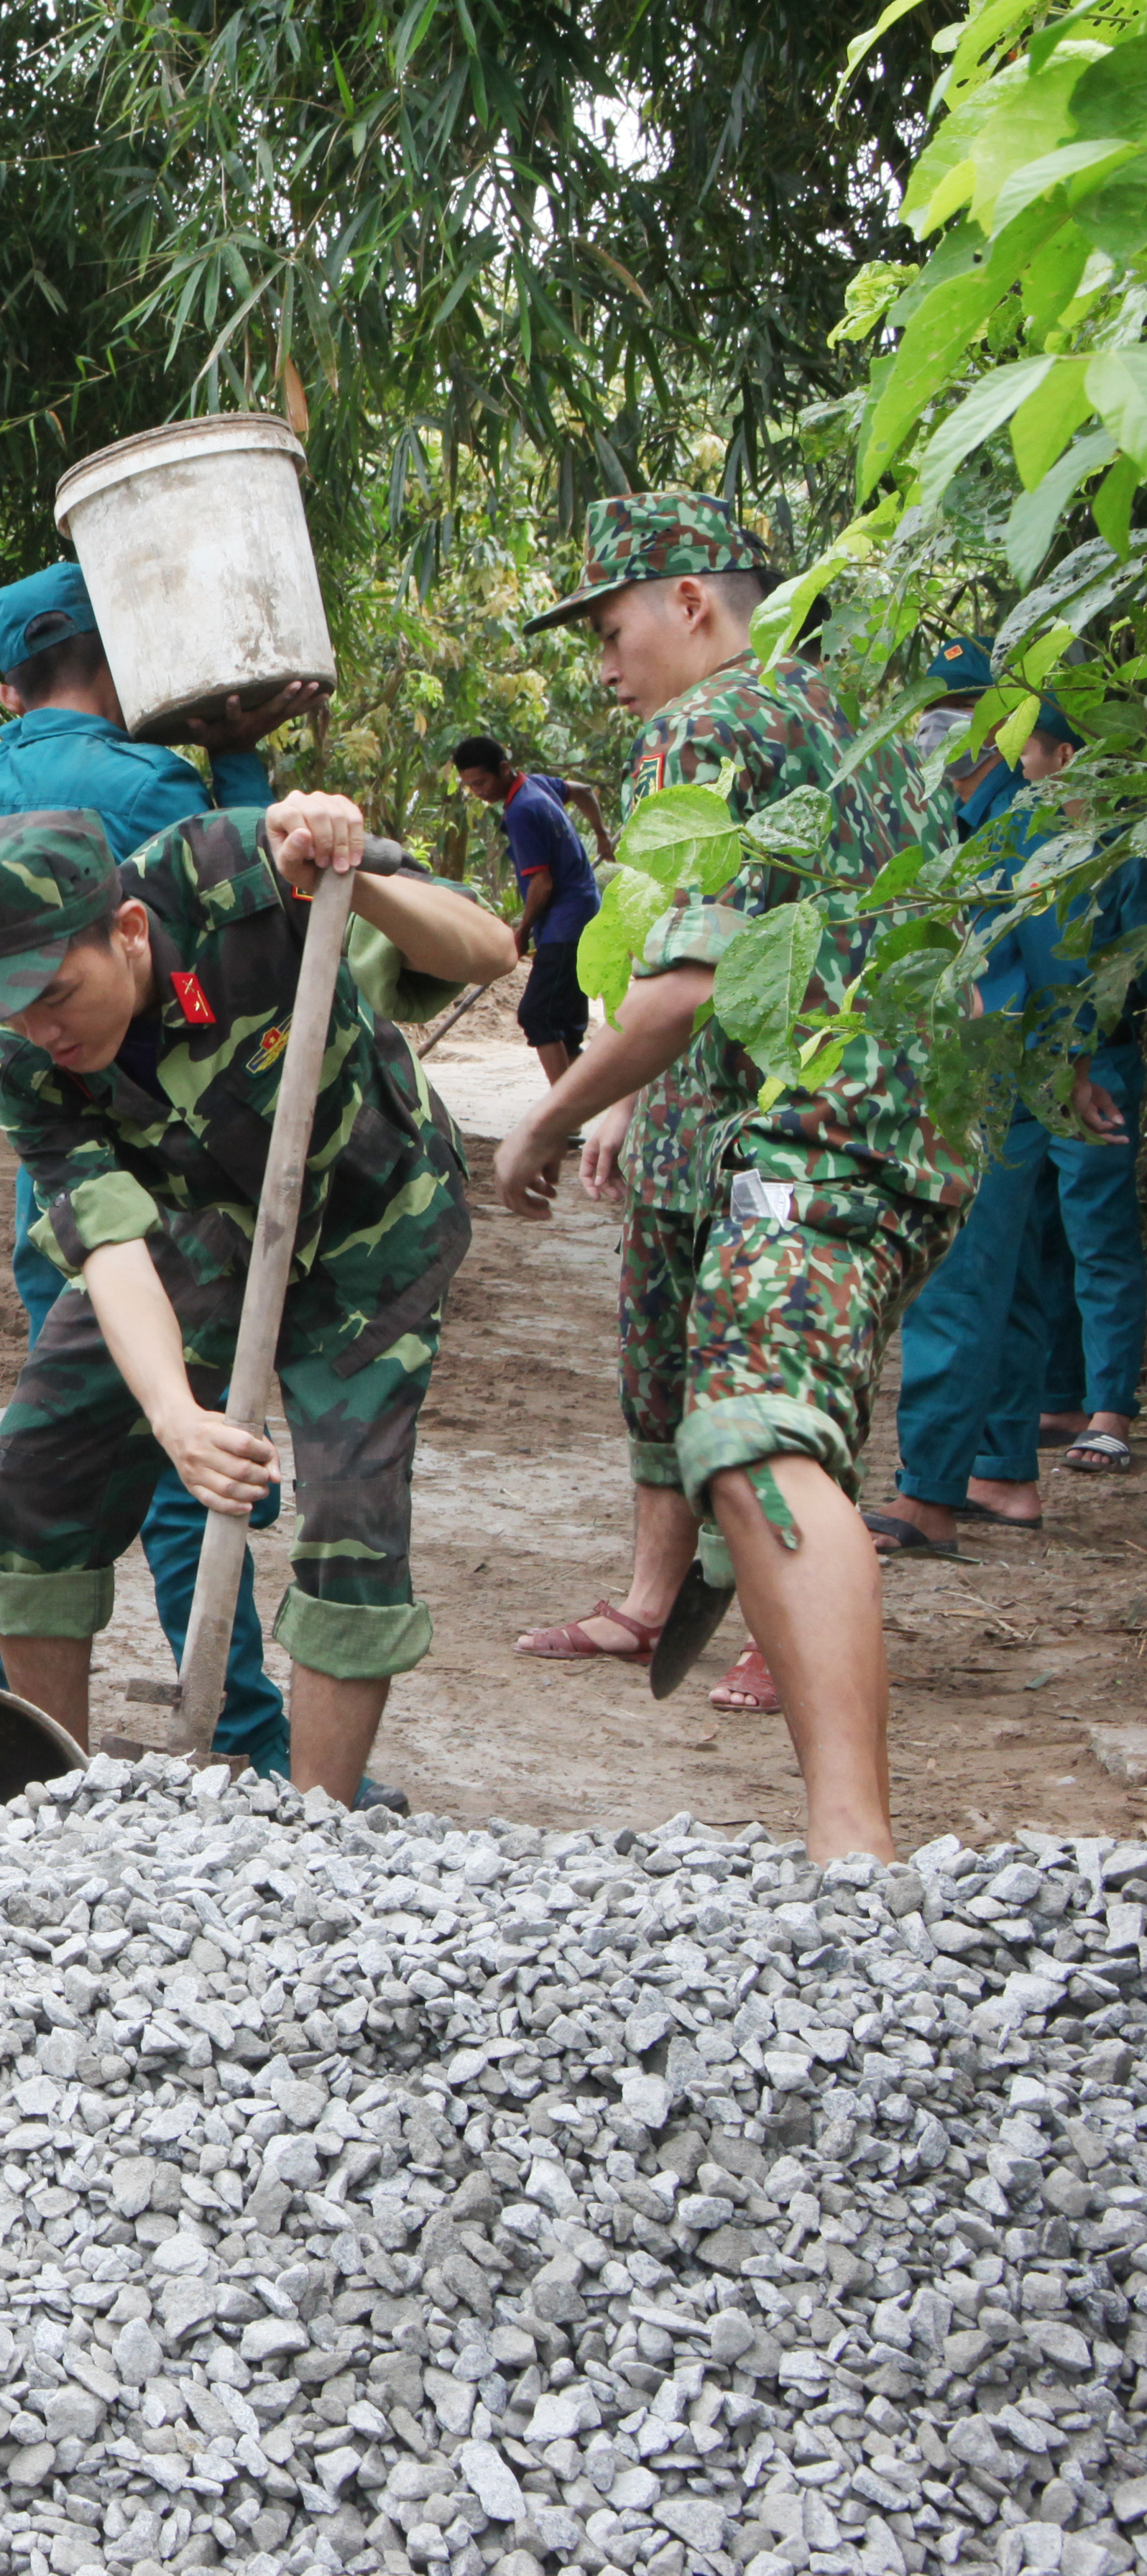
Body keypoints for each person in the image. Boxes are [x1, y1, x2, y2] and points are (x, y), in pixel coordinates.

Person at [493, 493, 969, 1858]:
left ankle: (851, 1859)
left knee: (757, 1435)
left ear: (691, 600)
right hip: (905, 1136)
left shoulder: (703, 723)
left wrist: (544, 1118)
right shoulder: (831, 707)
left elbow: (682, 987)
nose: (602, 661)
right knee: (757, 1412)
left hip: (823, 1128)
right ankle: (831, 1821)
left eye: (610, 624)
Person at [0, 800, 509, 1804]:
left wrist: (346, 874)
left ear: (131, 933)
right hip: (195, 1225)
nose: (39, 1028)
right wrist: (175, 1418)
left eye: (57, 992)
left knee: (353, 1517)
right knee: (31, 1475)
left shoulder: (235, 869)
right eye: (10, 1006)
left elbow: (486, 950)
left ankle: (316, 1830)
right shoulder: (23, 1063)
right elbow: (107, 1243)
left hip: (377, 1219)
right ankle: (57, 1809)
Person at [0, 560, 319, 1778]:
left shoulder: (15, 766)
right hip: (145, 1168)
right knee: (177, 1444)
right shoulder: (143, 781)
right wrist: (241, 763)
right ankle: (249, 1738)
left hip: (56, 1173)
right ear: (124, 657)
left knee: (54, 1435)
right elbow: (246, 894)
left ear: (11, 685)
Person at [876, 665, 1143, 1554]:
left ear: (992, 729)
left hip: (994, 1079)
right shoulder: (974, 819)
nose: (928, 735)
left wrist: (1068, 1067)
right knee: (1018, 1277)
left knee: (956, 1280)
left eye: (946, 718)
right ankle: (1002, 1474)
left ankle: (927, 1496)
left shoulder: (1019, 824)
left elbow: (1057, 954)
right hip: (1012, 1074)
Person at [450, 734, 601, 1079]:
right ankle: (573, 1113)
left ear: (504, 769)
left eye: (482, 782)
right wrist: (602, 834)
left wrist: (522, 933)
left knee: (537, 1015)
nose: (478, 792)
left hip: (566, 925)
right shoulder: (537, 786)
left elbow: (542, 884)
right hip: (586, 913)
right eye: (470, 786)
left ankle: (561, 1113)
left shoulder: (522, 810)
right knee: (566, 1024)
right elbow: (585, 792)